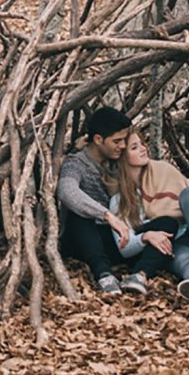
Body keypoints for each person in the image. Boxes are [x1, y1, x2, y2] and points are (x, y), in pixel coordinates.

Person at [109, 127, 189, 301]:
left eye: (142, 144)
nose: (143, 149)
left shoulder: (163, 170)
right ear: (122, 157)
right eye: (135, 147)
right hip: (176, 239)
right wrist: (146, 236)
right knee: (184, 260)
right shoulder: (120, 201)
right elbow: (124, 247)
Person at [57, 106, 178, 295]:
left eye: (124, 140)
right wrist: (107, 216)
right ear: (98, 139)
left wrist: (145, 231)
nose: (122, 145)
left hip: (120, 239)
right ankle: (104, 275)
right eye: (117, 141)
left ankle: (139, 275)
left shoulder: (118, 161)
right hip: (86, 238)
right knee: (79, 214)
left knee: (168, 224)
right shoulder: (76, 164)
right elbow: (67, 191)